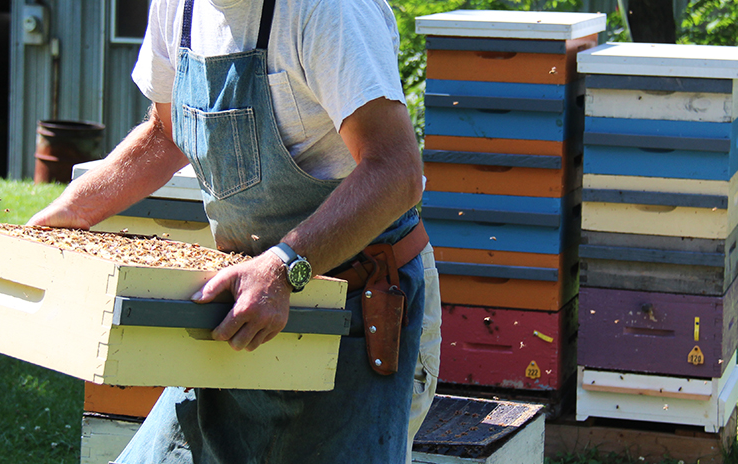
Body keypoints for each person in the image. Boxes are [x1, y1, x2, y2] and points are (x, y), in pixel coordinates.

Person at [27, 0, 441, 462]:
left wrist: (284, 268)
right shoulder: (177, 7)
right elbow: (166, 135)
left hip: (361, 312)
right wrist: (65, 215)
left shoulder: (331, 11)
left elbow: (395, 169)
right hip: (244, 304)